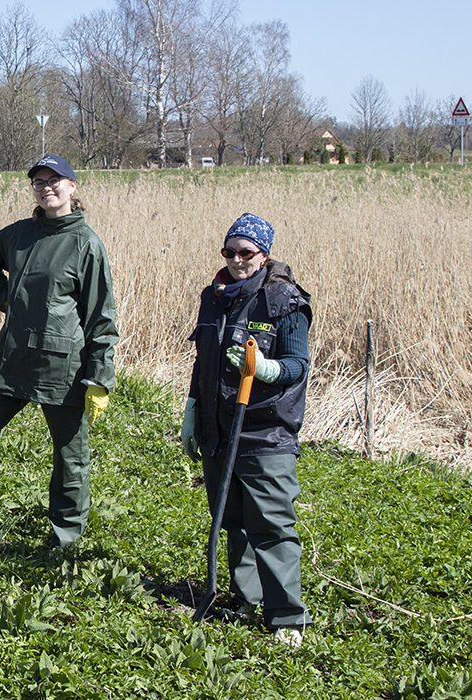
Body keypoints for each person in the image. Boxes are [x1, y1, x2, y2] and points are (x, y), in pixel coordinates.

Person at [0, 154, 118, 549]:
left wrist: (100, 376)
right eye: (39, 182)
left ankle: (66, 542)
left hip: (62, 370)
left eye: (55, 180)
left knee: (70, 457)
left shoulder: (86, 244)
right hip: (10, 361)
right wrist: (5, 298)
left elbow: (101, 317)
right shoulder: (18, 234)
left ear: (72, 187)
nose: (46, 187)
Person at [180, 213, 312, 646]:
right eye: (229, 252)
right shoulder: (213, 296)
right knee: (230, 519)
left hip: (264, 431)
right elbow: (203, 360)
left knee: (271, 525)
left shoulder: (284, 300)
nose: (237, 260)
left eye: (246, 253)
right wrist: (192, 408)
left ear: (264, 254)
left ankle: (287, 618)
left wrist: (266, 368)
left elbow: (297, 365)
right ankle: (245, 598)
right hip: (217, 427)